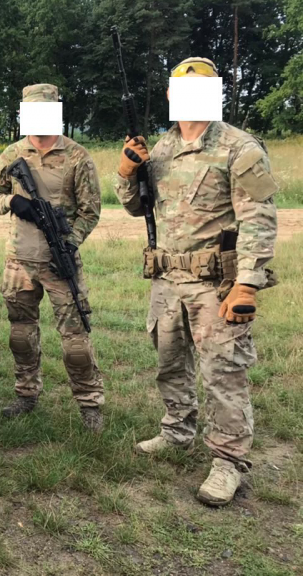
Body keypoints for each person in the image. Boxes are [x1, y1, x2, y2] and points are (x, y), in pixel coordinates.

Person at [116, 57, 278, 506]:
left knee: (223, 372)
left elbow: (259, 218)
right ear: (171, 95)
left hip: (216, 284)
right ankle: (177, 430)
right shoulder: (162, 148)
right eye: (182, 91)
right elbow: (136, 207)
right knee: (170, 362)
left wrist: (248, 284)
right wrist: (126, 173)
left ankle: (229, 461)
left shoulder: (239, 147)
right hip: (167, 279)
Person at [0, 84, 104, 432]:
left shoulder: (78, 156)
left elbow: (90, 211)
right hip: (19, 262)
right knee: (21, 335)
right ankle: (26, 395)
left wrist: (70, 242)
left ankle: (90, 405)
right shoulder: (12, 154)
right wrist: (11, 202)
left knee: (76, 340)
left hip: (59, 262)